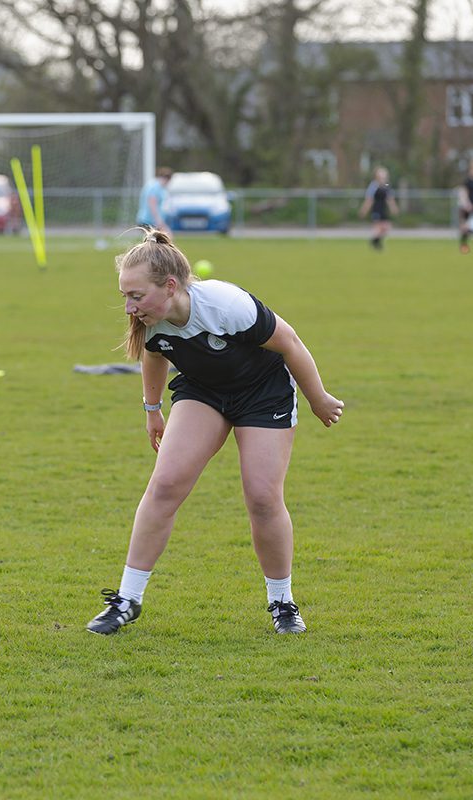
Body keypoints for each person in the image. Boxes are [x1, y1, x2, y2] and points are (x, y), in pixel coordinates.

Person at [87, 228, 344, 636]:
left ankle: (282, 603)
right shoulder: (152, 319)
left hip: (262, 393)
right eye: (125, 297)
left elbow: (290, 343)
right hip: (203, 391)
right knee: (166, 483)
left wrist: (319, 398)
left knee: (262, 497)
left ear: (170, 286)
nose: (128, 307)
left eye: (135, 296)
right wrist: (152, 411)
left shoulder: (225, 305)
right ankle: (127, 599)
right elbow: (154, 356)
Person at [359, 166, 399, 251]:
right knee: (378, 227)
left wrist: (393, 208)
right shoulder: (373, 185)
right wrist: (364, 210)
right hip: (376, 209)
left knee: (386, 227)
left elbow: (390, 198)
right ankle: (376, 244)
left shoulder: (387, 185)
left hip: (383, 209)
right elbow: (369, 199)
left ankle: (374, 241)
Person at [136, 167, 172, 233]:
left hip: (148, 220)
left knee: (160, 239)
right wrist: (159, 221)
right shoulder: (155, 187)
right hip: (148, 221)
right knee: (167, 235)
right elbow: (152, 203)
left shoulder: (155, 186)